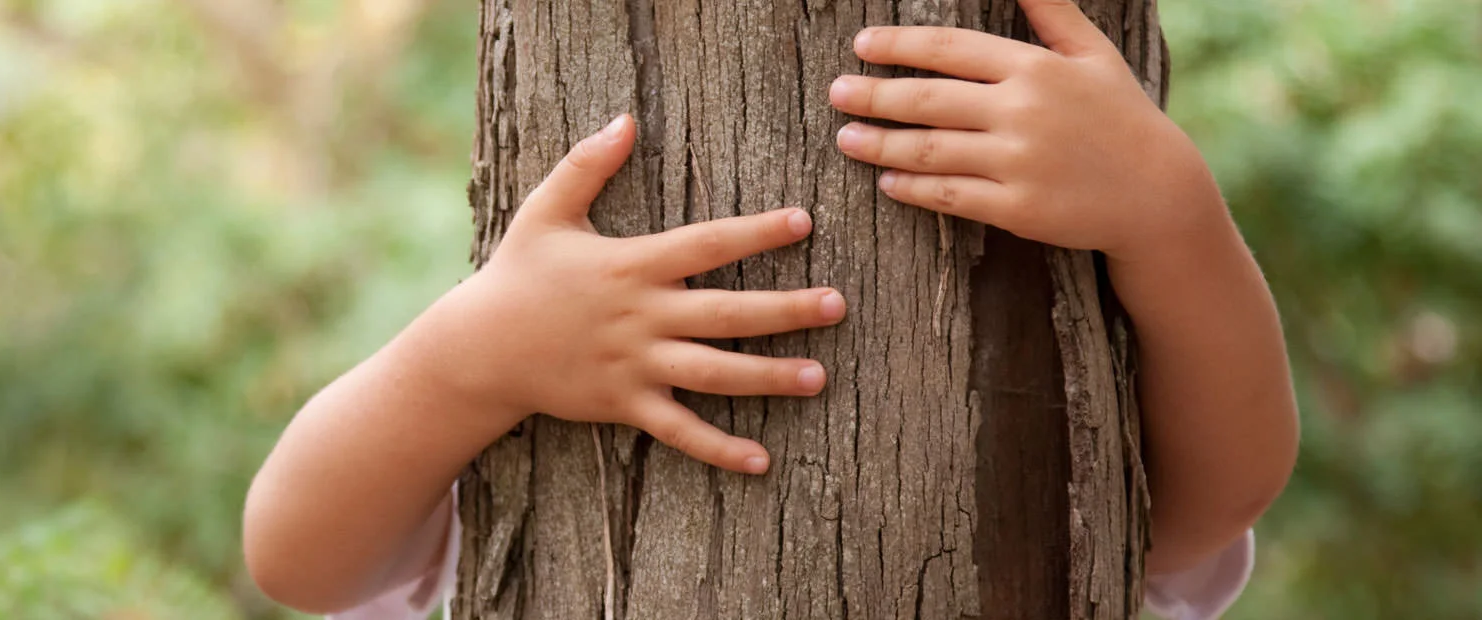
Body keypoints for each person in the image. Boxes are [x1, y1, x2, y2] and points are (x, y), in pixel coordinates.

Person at [241, 0, 1298, 617]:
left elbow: (1203, 504)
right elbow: (297, 554)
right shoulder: (541, 446)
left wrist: (1171, 219)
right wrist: (475, 356)